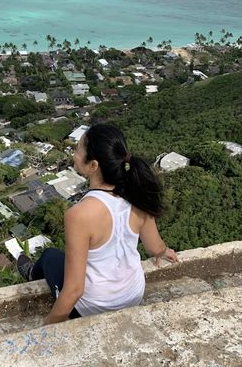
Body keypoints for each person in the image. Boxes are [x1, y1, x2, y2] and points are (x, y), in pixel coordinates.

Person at [17, 123, 178, 324]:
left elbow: (74, 290)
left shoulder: (79, 214)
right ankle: (32, 272)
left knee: (50, 256)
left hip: (96, 307)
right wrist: (163, 252)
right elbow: (155, 247)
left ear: (93, 166)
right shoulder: (137, 196)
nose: (74, 154)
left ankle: (32, 273)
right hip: (134, 294)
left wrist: (48, 328)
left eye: (78, 150)